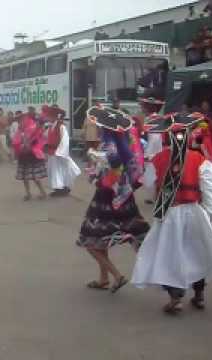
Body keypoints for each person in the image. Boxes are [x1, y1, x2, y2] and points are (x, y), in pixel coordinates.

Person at [132, 113, 212, 315]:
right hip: (194, 213)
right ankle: (198, 295)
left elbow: (148, 184)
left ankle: (176, 298)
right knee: (197, 251)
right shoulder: (199, 159)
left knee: (171, 254)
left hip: (170, 214)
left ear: (167, 137)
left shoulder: (159, 159)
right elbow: (209, 191)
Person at [77, 106, 149, 293]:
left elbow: (113, 163)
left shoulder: (109, 142)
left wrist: (94, 156)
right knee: (101, 238)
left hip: (106, 196)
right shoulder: (126, 140)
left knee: (90, 239)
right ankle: (104, 278)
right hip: (124, 194)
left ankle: (116, 275)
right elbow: (131, 166)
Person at [45, 106, 81, 197]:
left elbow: (65, 140)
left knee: (61, 171)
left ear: (55, 117)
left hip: (58, 153)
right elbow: (45, 138)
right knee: (54, 171)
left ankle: (63, 188)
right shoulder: (50, 127)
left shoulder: (61, 127)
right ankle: (58, 188)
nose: (48, 118)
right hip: (52, 153)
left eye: (50, 116)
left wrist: (60, 152)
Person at [12, 113, 48, 201]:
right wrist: (20, 147)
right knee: (25, 177)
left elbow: (39, 138)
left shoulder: (32, 128)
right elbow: (16, 142)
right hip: (23, 156)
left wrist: (29, 144)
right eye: (18, 120)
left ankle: (43, 192)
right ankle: (28, 193)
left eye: (21, 119)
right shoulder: (20, 130)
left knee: (35, 176)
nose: (20, 121)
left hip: (32, 155)